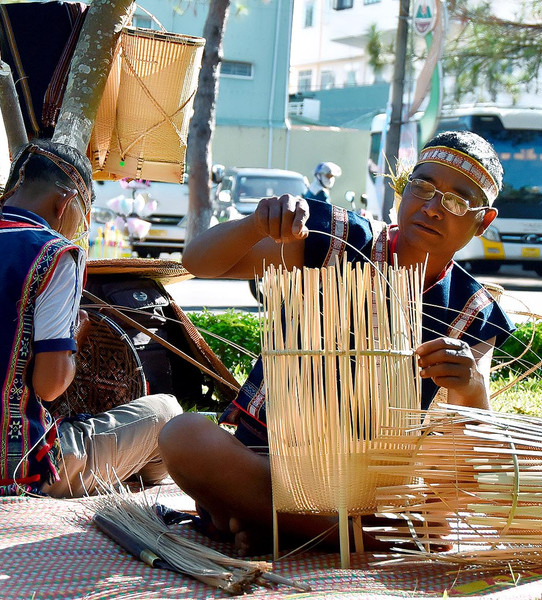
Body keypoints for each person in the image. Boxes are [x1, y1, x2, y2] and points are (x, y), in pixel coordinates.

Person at [161, 130, 514, 554]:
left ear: (483, 221)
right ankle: (331, 533)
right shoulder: (337, 239)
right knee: (184, 437)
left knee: (450, 503)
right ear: (403, 188)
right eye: (422, 186)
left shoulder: (473, 310)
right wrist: (258, 222)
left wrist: (471, 386)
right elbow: (198, 260)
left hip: (364, 488)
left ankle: (265, 521)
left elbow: (474, 437)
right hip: (268, 461)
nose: (434, 207)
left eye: (458, 201)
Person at [0, 139, 181, 498]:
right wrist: (73, 339)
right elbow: (50, 386)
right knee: (167, 413)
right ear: (64, 203)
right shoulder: (54, 254)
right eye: (83, 213)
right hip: (17, 470)